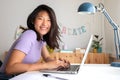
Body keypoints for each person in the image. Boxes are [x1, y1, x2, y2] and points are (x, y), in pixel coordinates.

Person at [0, 4, 70, 76]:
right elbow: (10, 69)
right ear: (33, 21)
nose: (45, 23)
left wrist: (58, 63)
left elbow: (47, 57)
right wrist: (46, 65)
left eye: (49, 20)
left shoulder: (40, 38)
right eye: (40, 18)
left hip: (21, 76)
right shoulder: (30, 35)